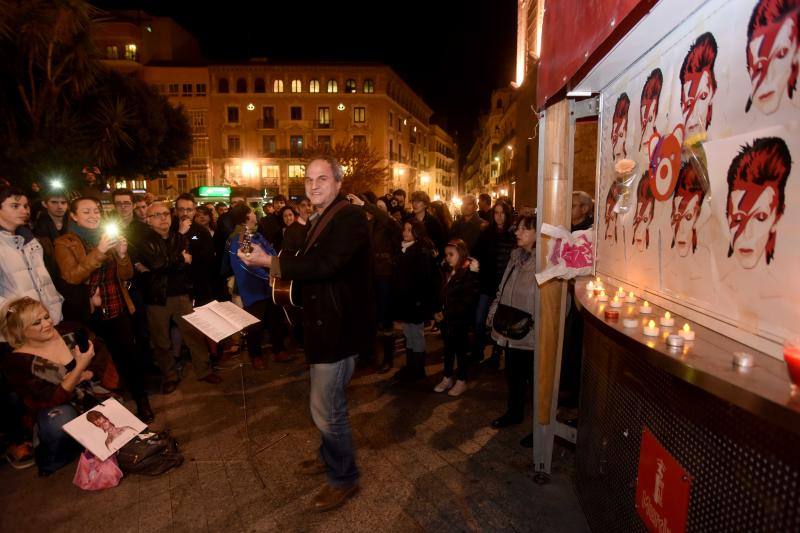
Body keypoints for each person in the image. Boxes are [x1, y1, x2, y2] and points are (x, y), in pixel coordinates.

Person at [238, 155, 371, 512]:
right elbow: (307, 263)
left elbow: (326, 265)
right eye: (309, 179)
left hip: (338, 330)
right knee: (324, 405)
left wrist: (270, 263)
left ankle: (344, 477)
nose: (313, 185)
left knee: (327, 410)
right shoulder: (319, 219)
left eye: (322, 179)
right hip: (320, 327)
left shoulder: (351, 218)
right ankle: (331, 456)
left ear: (339, 183)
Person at [54, 197, 153, 422]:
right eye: (86, 211)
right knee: (98, 364)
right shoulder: (64, 242)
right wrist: (99, 251)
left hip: (117, 306)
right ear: (74, 216)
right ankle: (107, 414)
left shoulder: (107, 237)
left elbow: (126, 274)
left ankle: (142, 402)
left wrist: (122, 254)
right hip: (90, 314)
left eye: (96, 211)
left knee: (129, 356)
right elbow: (72, 276)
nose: (93, 215)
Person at [0, 297, 117, 474]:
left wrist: (90, 372)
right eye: (37, 323)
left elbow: (102, 355)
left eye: (46, 317)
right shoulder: (17, 362)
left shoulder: (71, 330)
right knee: (60, 418)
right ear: (20, 331)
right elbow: (49, 400)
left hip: (92, 395)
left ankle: (92, 440)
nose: (46, 324)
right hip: (57, 409)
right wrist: (79, 368)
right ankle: (65, 451)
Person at [138, 202, 222, 393]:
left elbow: (183, 263)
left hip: (181, 293)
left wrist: (166, 264)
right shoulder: (144, 240)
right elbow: (157, 263)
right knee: (161, 341)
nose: (163, 218)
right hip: (157, 297)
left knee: (194, 335)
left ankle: (204, 370)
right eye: (157, 215)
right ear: (148, 220)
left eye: (166, 213)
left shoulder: (179, 237)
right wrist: (177, 260)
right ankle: (169, 376)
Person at [488, 214, 538, 429]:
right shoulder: (516, 256)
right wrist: (493, 312)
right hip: (510, 327)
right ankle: (514, 412)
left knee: (536, 382)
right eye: (518, 228)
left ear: (539, 233)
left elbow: (556, 302)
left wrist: (541, 326)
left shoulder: (546, 262)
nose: (517, 232)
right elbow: (503, 286)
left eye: (524, 229)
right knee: (513, 376)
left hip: (532, 331)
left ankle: (540, 429)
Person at [347, 193, 402, 372]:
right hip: (367, 277)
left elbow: (387, 220)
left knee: (385, 319)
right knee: (368, 318)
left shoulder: (389, 225)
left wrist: (365, 204)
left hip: (384, 277)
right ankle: (367, 356)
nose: (375, 211)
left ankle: (388, 357)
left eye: (380, 207)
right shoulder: (365, 225)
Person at [0, 186, 64, 338]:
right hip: (19, 330)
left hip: (50, 321)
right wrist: (16, 313)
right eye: (15, 206)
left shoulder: (31, 241)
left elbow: (43, 280)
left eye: (25, 206)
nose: (24, 211)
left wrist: (56, 303)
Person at [223, 203, 277, 369]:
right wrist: (269, 275)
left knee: (274, 319)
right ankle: (256, 356)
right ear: (247, 216)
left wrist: (276, 269)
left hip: (268, 286)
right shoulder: (241, 236)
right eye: (253, 212)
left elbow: (271, 254)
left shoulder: (255, 234)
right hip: (254, 288)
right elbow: (248, 264)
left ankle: (279, 349)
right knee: (255, 326)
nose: (256, 214)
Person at [391, 220, 440, 381]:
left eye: (409, 230)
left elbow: (425, 279)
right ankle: (411, 365)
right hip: (404, 300)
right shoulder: (402, 249)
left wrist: (422, 302)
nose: (405, 232)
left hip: (416, 301)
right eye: (404, 229)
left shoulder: (421, 252)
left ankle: (418, 368)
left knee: (416, 334)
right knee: (408, 333)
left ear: (417, 233)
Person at [472, 201, 516, 369]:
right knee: (479, 319)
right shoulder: (486, 233)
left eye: (502, 213)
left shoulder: (513, 234)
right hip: (487, 283)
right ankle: (478, 350)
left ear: (507, 214)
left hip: (504, 285)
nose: (499, 216)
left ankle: (496, 356)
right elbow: (475, 252)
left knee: (500, 323)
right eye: (496, 213)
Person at [433, 239, 479, 397]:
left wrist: (448, 313)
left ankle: (461, 380)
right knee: (448, 349)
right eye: (446, 255)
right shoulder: (446, 271)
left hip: (460, 321)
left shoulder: (467, 274)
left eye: (451, 254)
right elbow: (440, 293)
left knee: (460, 350)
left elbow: (467, 300)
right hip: (446, 320)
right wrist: (438, 310)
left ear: (461, 254)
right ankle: (447, 377)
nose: (448, 257)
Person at [174, 193, 216, 307]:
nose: (185, 213)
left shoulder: (202, 231)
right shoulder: (170, 229)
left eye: (189, 209)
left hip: (198, 284)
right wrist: (180, 234)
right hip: (174, 287)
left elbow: (209, 259)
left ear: (194, 211)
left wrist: (191, 259)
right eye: (181, 209)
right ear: (176, 210)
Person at [33, 187, 69, 283]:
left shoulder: (75, 223)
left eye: (63, 202)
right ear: (44, 204)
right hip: (51, 276)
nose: (60, 206)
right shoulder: (37, 227)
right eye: (54, 202)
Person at [410, 191, 446, 257]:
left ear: (425, 204)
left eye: (418, 201)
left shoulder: (433, 222)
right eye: (413, 201)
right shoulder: (409, 219)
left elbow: (440, 242)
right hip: (411, 256)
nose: (414, 204)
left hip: (428, 258)